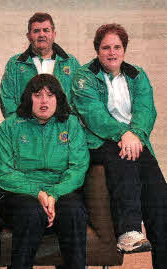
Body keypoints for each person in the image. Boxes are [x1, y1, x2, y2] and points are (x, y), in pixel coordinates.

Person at [71, 23, 166, 268]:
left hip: (134, 141)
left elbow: (146, 110)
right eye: (106, 48)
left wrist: (134, 134)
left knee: (159, 198)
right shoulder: (84, 76)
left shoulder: (138, 74)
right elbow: (94, 115)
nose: (112, 52)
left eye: (117, 47)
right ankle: (129, 231)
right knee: (123, 157)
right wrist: (123, 133)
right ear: (97, 50)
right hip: (99, 142)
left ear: (124, 49)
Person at [0, 74, 89, 269]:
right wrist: (37, 193)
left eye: (50, 95)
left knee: (74, 211)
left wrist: (53, 194)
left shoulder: (71, 124)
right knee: (31, 211)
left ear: (58, 99)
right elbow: (3, 171)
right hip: (21, 193)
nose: (44, 101)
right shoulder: (10, 126)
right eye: (38, 95)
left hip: (61, 190)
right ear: (29, 98)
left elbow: (78, 167)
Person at [0, 12, 80, 118]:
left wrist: (70, 123)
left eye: (46, 30)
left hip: (62, 128)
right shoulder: (15, 64)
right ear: (28, 36)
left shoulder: (71, 62)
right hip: (26, 129)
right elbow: (7, 99)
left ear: (54, 34)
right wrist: (18, 126)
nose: (41, 35)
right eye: (36, 31)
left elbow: (81, 97)